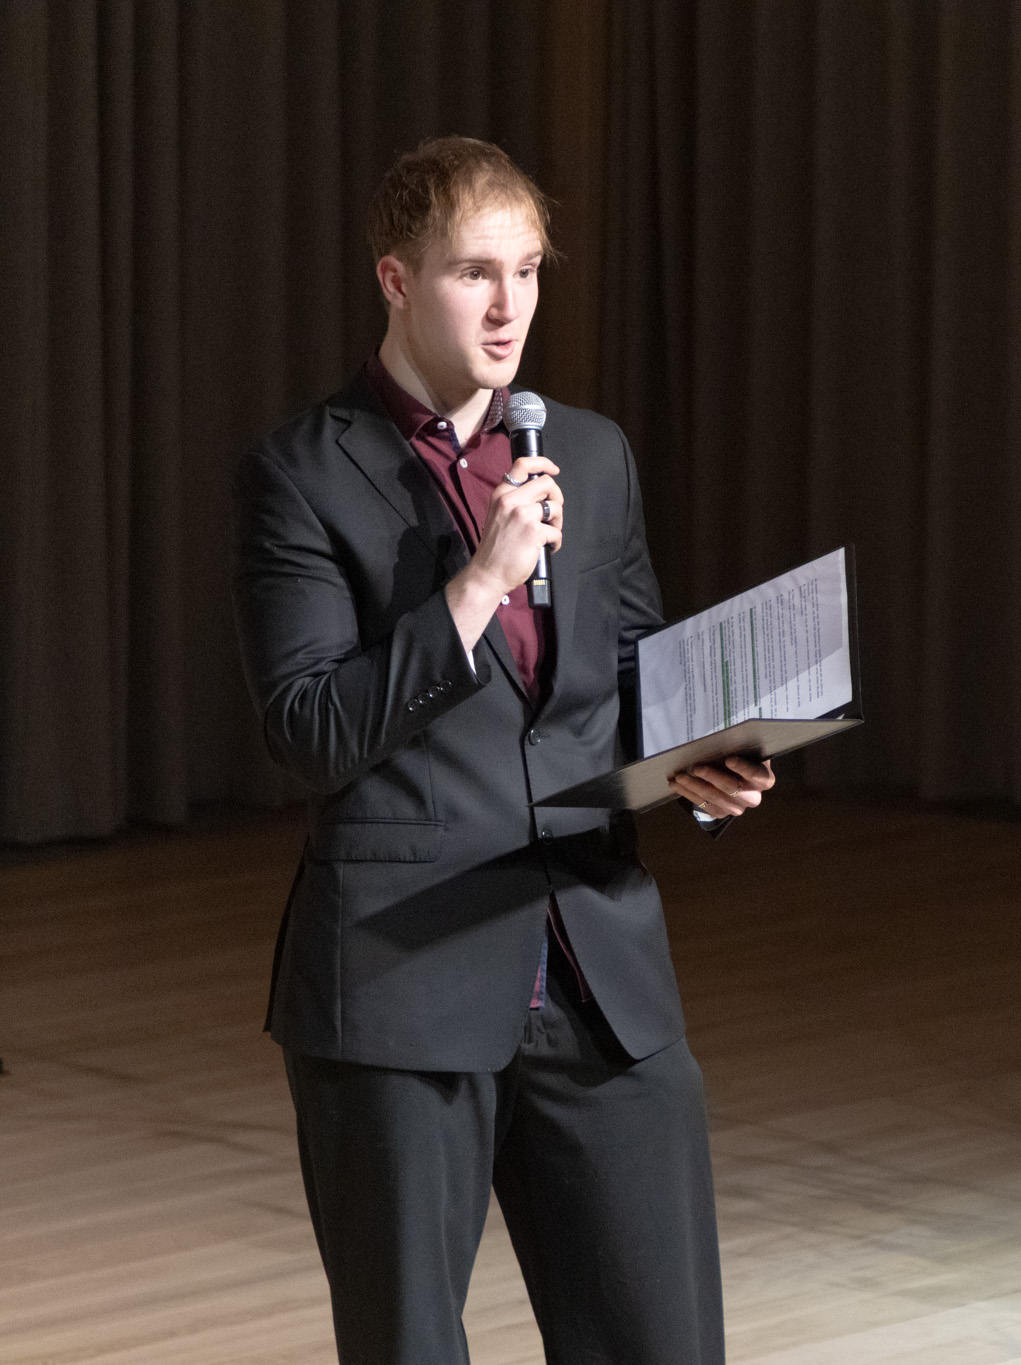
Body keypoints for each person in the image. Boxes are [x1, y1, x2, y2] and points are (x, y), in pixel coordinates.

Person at [233, 135, 765, 1364]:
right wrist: (476, 587)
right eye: (475, 271)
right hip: (402, 983)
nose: (509, 306)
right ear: (395, 279)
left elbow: (625, 676)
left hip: (596, 966)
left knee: (663, 1339)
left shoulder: (590, 451)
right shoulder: (302, 474)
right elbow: (307, 732)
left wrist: (701, 759)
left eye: (527, 271)